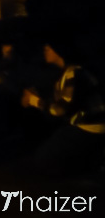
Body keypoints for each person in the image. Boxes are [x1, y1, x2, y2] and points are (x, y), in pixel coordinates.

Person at [22, 37, 105, 175]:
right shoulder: (70, 72)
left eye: (48, 48)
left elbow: (60, 110)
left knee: (44, 161)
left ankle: (89, 164)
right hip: (87, 126)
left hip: (90, 128)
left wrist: (33, 100)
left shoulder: (73, 72)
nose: (45, 51)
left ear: (58, 50)